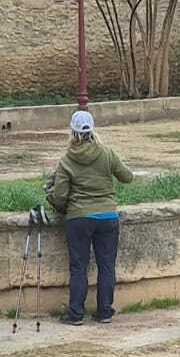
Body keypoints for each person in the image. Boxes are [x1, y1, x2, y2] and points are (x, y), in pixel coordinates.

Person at [44, 111, 134, 326]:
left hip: (79, 218)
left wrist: (52, 199)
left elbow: (60, 196)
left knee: (79, 267)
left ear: (72, 132)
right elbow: (127, 177)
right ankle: (105, 311)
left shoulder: (67, 160)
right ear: (93, 130)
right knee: (107, 266)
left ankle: (76, 313)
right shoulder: (107, 153)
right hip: (108, 216)